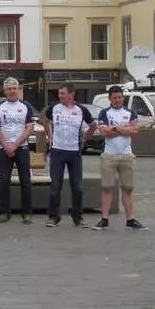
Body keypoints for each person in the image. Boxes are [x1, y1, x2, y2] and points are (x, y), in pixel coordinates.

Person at [94, 86, 148, 231]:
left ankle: (130, 219)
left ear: (123, 98)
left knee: (127, 188)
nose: (117, 100)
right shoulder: (104, 113)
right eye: (114, 98)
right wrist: (125, 130)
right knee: (107, 188)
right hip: (109, 155)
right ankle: (104, 219)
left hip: (126, 155)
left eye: (119, 97)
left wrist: (115, 128)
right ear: (109, 99)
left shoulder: (130, 113)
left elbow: (135, 131)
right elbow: (103, 132)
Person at [43, 83, 96, 228]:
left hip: (74, 152)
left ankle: (77, 216)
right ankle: (53, 217)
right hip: (57, 151)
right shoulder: (54, 108)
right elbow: (45, 120)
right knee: (55, 185)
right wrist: (50, 136)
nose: (60, 96)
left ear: (71, 94)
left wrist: (84, 139)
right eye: (59, 93)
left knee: (77, 187)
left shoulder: (81, 110)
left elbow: (93, 125)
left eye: (63, 93)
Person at [0, 77, 36, 225]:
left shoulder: (26, 106)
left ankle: (26, 213)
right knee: (4, 180)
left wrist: (15, 145)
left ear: (18, 89)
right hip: (4, 149)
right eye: (9, 89)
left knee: (26, 181)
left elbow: (29, 127)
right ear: (4, 90)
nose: (11, 91)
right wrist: (6, 145)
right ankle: (5, 212)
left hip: (21, 148)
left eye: (14, 88)